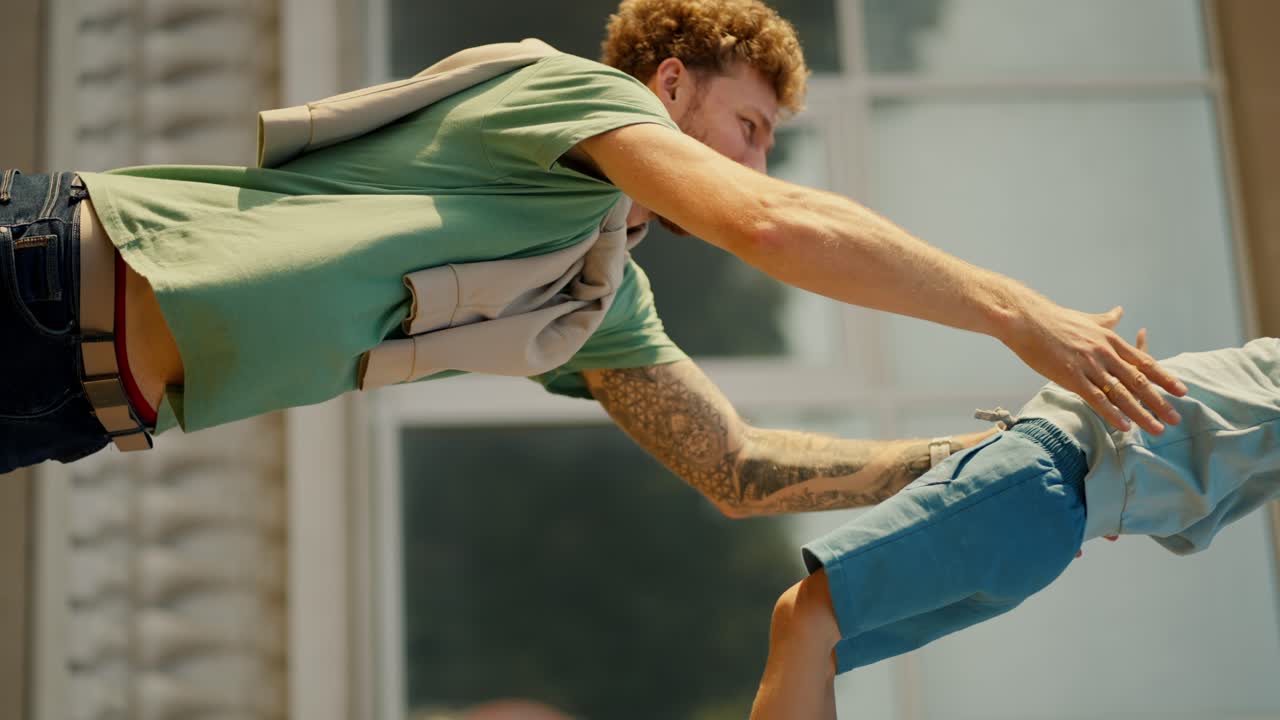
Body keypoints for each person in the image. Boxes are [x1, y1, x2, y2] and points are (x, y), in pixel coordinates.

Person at [3, 0, 1184, 523]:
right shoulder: (571, 95)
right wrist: (1020, 312)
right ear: (669, 83)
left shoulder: (596, 302)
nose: (757, 161)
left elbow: (741, 471)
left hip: (78, 405)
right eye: (751, 128)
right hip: (45, 272)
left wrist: (982, 453)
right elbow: (762, 225)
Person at [748, 332, 1280, 720]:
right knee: (819, 651)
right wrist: (1128, 480)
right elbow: (1196, 513)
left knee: (806, 621)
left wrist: (1125, 467)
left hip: (1035, 478)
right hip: (1053, 517)